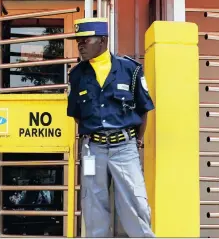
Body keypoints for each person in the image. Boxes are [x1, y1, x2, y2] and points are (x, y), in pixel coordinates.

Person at [66, 17, 156, 237]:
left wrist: (136, 141)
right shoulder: (77, 75)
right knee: (93, 207)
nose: (80, 45)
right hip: (92, 150)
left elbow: (143, 109)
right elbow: (77, 115)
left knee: (136, 205)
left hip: (125, 147)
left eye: (86, 40)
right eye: (78, 40)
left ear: (103, 40)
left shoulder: (130, 70)